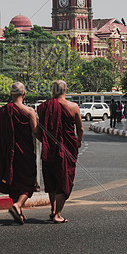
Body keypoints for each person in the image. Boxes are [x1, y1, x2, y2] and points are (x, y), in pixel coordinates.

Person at [0, 82, 38, 224]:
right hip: (24, 153)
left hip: (7, 154)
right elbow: (36, 132)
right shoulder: (29, 111)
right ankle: (18, 205)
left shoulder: (3, 111)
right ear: (24, 94)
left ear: (11, 94)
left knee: (13, 180)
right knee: (28, 181)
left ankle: (19, 212)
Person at [35, 80, 82, 224]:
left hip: (49, 150)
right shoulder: (73, 107)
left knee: (52, 182)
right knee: (64, 182)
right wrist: (78, 141)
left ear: (53, 91)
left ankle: (52, 210)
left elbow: (39, 130)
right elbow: (80, 128)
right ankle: (57, 214)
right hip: (66, 149)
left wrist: (45, 141)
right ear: (66, 90)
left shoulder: (43, 107)